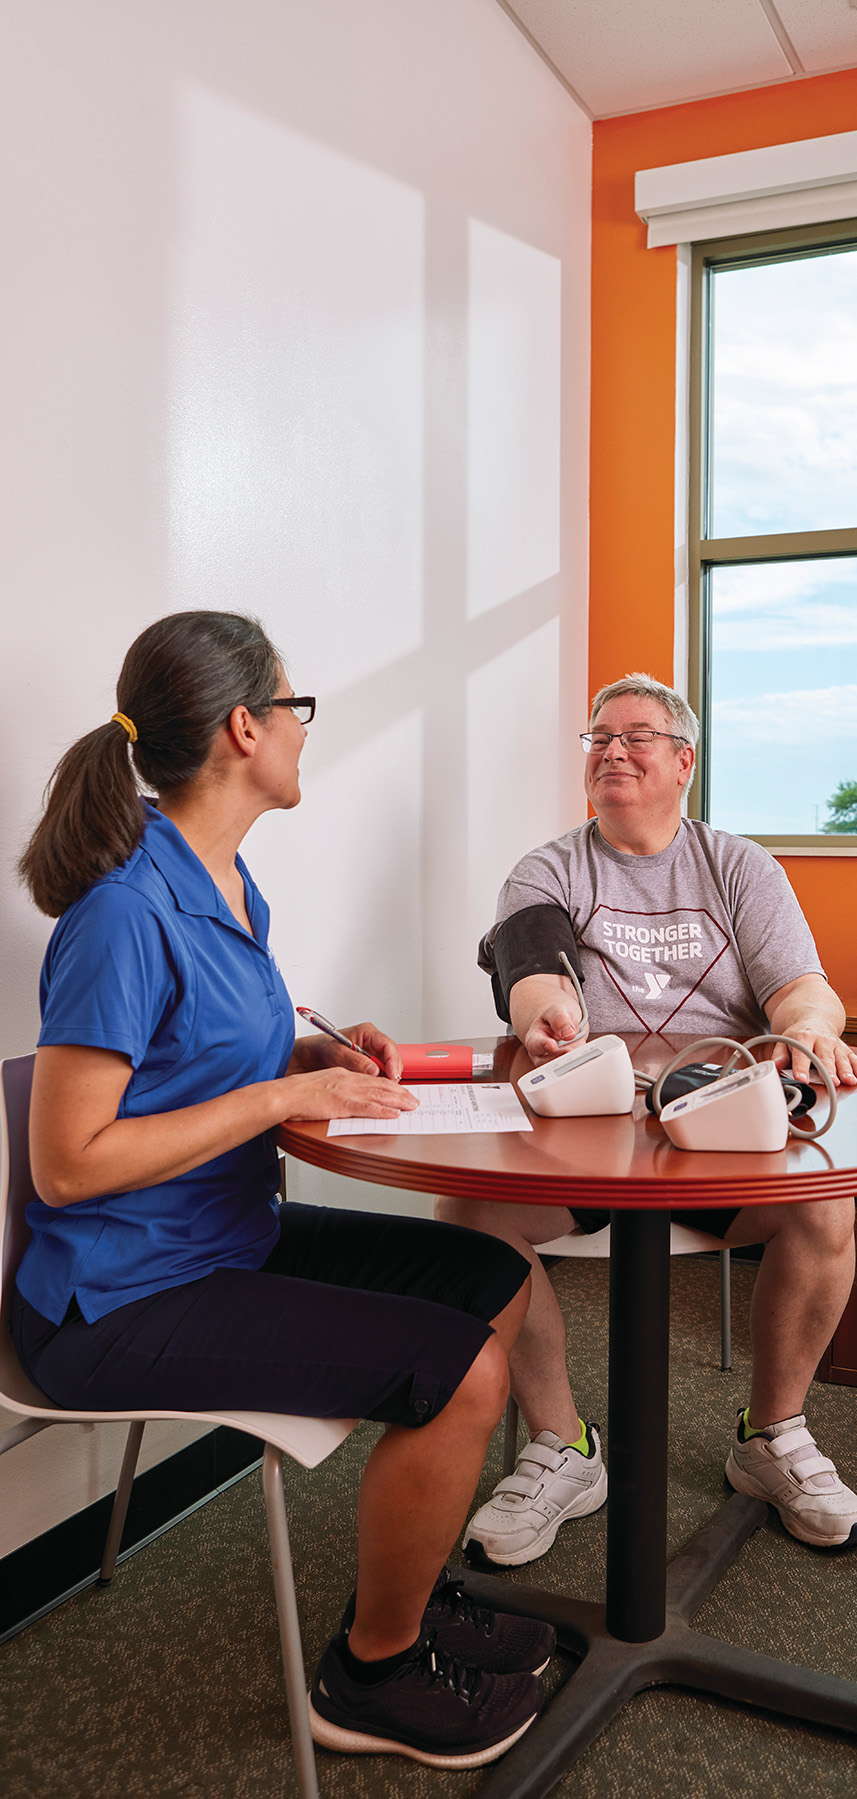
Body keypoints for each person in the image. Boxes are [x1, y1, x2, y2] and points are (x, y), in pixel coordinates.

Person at [12, 611, 549, 1769]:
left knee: (492, 1280)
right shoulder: (122, 910)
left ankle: (406, 1592)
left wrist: (304, 1064)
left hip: (220, 1234)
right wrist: (272, 1104)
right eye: (295, 708)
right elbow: (67, 1160)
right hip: (113, 1300)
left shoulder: (230, 882)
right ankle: (369, 1679)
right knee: (464, 1370)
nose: (305, 731)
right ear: (243, 728)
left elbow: (194, 1064)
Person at [439, 673, 857, 1569]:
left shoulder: (738, 865)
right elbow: (536, 972)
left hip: (717, 1142)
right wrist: (545, 1015)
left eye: (636, 736)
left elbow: (804, 988)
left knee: (829, 1205)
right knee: (468, 1215)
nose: (612, 750)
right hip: (587, 1152)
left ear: (684, 761)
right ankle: (563, 1446)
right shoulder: (548, 868)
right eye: (599, 737)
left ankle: (772, 1436)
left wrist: (805, 1031)